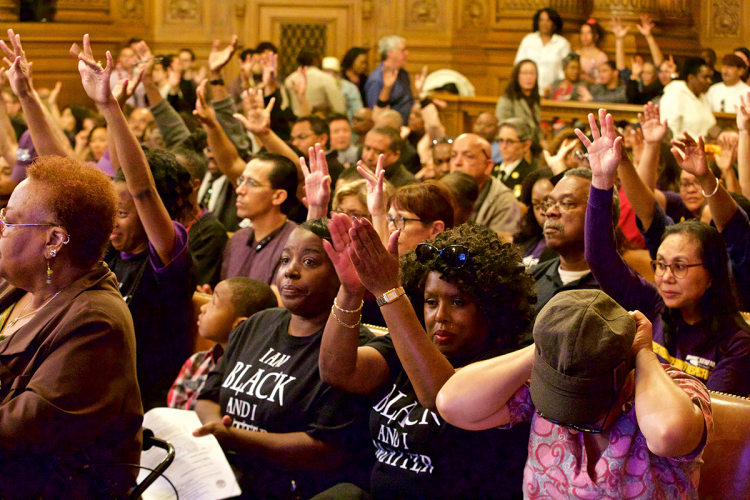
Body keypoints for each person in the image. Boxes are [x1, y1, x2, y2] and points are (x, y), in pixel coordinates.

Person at [318, 217, 534, 499]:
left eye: (458, 302)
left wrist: (388, 292)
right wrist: (351, 291)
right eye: (431, 302)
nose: (439, 316)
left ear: (493, 307)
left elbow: (443, 396)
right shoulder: (409, 348)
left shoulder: (506, 366)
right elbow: (338, 371)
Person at [437, 289, 714, 500]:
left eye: (583, 410)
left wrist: (642, 352)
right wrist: (552, 343)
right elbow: (451, 404)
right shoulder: (542, 378)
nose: (569, 423)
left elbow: (668, 436)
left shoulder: (676, 389)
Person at [194, 220, 375, 500]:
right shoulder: (258, 323)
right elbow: (208, 396)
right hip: (220, 472)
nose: (290, 270)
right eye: (286, 259)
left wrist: (234, 438)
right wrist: (214, 429)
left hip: (289, 488)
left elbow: (324, 451)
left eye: (309, 262)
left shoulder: (355, 350)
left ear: (343, 272)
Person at [578, 108, 750, 396]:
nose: (666, 277)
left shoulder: (737, 343)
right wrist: (601, 180)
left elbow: (704, 422)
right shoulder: (655, 305)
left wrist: (707, 177)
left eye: (680, 266)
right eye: (660, 264)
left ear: (711, 274)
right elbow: (599, 258)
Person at [0, 152, 142, 498]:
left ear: (53, 241)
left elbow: (21, 429)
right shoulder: (18, 285)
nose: (1, 230)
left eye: (9, 220)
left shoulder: (96, 321)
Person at [68, 35, 195, 411]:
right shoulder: (111, 247)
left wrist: (109, 107)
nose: (112, 224)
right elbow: (61, 161)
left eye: (120, 214)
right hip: (99, 384)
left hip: (143, 401)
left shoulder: (169, 252)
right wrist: (26, 96)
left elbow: (141, 190)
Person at [168, 277, 278, 410]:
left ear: (241, 326)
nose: (203, 307)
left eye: (213, 303)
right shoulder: (196, 362)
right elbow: (173, 408)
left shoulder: (257, 378)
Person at [220, 153, 298, 284]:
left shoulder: (294, 243)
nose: (239, 190)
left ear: (278, 196)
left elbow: (279, 302)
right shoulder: (237, 239)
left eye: (251, 183)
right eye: (241, 180)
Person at [449, 133, 521, 235]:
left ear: (488, 166)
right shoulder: (442, 189)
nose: (457, 162)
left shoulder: (504, 201)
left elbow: (499, 247)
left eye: (468, 156)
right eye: (453, 155)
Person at [514, 8, 571, 94]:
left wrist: (556, 86)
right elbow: (518, 65)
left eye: (548, 20)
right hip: (528, 91)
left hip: (553, 92)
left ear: (554, 23)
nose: (544, 23)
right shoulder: (528, 40)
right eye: (541, 20)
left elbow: (566, 70)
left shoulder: (562, 44)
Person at [660, 57, 716, 140]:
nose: (709, 81)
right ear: (691, 78)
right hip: (683, 151)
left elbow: (708, 126)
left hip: (704, 149)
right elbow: (669, 135)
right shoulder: (674, 95)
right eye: (705, 77)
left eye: (710, 77)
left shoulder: (702, 97)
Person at [366, 36, 414, 125]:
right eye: (403, 50)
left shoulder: (403, 74)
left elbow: (409, 100)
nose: (407, 53)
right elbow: (375, 115)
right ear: (390, 53)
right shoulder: (377, 79)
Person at [285, 48, 346, 116]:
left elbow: (285, 106)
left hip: (296, 122)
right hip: (319, 122)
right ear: (316, 60)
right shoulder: (326, 78)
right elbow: (339, 108)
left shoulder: (289, 80)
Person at [514, 167, 555, 266]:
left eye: (548, 203)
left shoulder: (568, 250)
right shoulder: (528, 241)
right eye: (536, 205)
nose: (542, 211)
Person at [496, 60, 541, 140]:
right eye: (525, 73)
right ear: (517, 76)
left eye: (532, 73)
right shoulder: (507, 100)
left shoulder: (535, 100)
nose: (529, 77)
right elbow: (502, 127)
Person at [495, 117, 535, 198]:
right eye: (501, 140)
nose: (503, 146)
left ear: (525, 146)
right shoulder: (491, 169)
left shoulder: (530, 175)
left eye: (510, 141)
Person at [322, 56, 364, 121]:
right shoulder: (316, 87)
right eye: (326, 71)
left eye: (333, 71)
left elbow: (357, 111)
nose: (330, 74)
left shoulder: (350, 88)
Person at [576, 19, 608, 83]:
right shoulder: (576, 53)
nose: (585, 36)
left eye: (588, 32)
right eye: (582, 33)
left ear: (596, 36)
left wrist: (587, 78)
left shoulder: (601, 57)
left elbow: (600, 79)